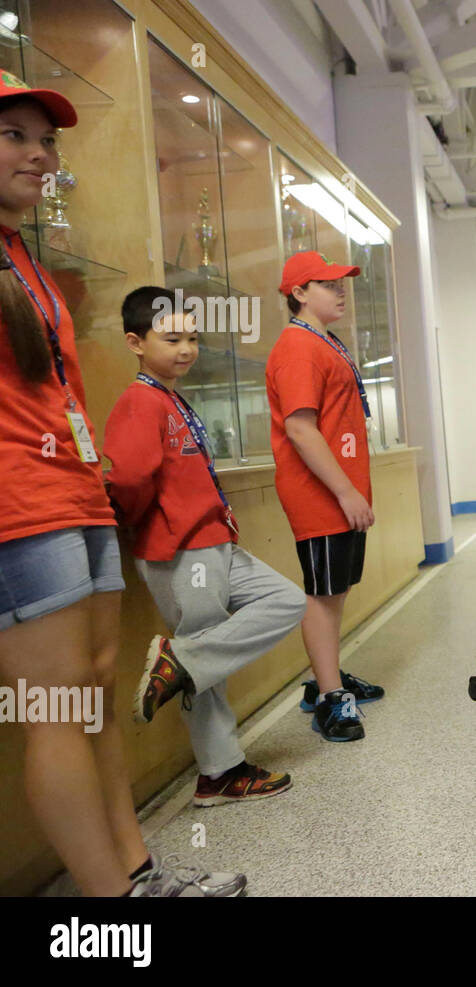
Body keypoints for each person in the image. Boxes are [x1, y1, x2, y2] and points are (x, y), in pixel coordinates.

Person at [0, 72, 243, 895]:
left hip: (74, 492)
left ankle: (139, 873)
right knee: (57, 710)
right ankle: (110, 909)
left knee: (95, 696)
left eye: (47, 140)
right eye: (16, 137)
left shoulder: (20, 252)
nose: (40, 155)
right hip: (17, 509)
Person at [104, 286, 305, 806]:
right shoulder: (138, 401)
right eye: (171, 338)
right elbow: (128, 477)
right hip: (179, 548)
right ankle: (220, 774)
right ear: (135, 342)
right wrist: (138, 522)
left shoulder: (170, 397)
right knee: (203, 670)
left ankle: (185, 661)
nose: (186, 348)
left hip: (214, 540)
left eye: (192, 337)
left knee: (285, 601)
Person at [267, 251, 385, 742]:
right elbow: (300, 427)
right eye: (328, 284)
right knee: (322, 595)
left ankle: (325, 677)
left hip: (340, 493)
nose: (341, 292)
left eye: (343, 284)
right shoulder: (298, 346)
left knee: (335, 591)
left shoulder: (325, 341)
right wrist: (344, 492)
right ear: (298, 292)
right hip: (320, 496)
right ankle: (331, 698)